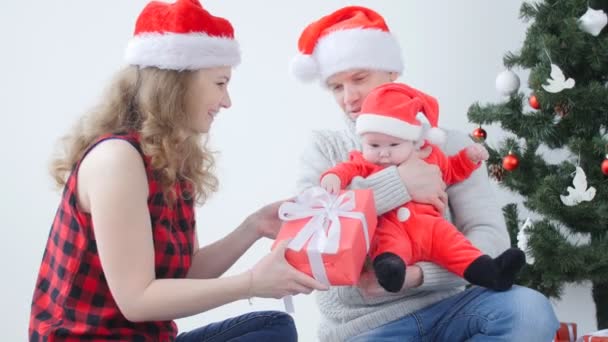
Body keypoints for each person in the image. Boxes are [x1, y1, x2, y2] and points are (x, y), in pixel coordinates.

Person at [29, 0, 327, 340]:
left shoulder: (167, 163)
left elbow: (183, 277)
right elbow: (137, 300)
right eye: (219, 83)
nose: (227, 101)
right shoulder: (116, 160)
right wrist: (252, 283)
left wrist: (254, 226)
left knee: (274, 328)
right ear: (178, 83)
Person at [291, 5, 559, 342]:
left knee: (529, 311)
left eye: (359, 78)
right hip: (366, 326)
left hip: (453, 306)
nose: (350, 97)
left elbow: (488, 236)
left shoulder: (448, 145)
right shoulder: (324, 150)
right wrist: (400, 184)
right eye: (335, 86)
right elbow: (316, 238)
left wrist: (419, 276)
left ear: (391, 73)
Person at [320, 82, 526, 294]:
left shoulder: (430, 156)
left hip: (431, 228)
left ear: (411, 142)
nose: (383, 153)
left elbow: (451, 170)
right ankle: (391, 272)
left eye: (393, 145)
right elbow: (345, 170)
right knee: (388, 247)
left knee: (457, 248)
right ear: (363, 142)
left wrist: (468, 159)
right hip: (391, 229)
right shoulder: (362, 162)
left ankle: (492, 272)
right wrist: (333, 176)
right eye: (374, 146)